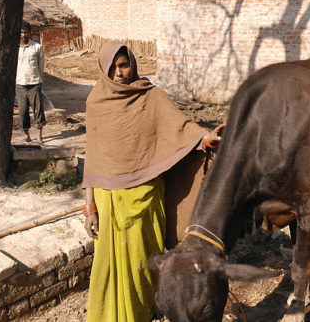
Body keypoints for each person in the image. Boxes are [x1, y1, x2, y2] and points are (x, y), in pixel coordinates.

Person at [82, 42, 222, 322]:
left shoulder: (152, 96)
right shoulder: (96, 103)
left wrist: (203, 138)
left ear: (133, 64)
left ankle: (145, 310)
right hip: (110, 202)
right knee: (111, 266)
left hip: (147, 196)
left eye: (124, 65)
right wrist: (90, 209)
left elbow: (180, 127)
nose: (119, 73)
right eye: (112, 67)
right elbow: (93, 159)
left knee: (147, 262)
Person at [15, 20, 46, 143]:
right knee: (22, 111)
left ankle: (39, 135)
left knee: (38, 110)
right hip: (20, 84)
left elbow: (41, 66)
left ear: (30, 33)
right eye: (21, 32)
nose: (23, 35)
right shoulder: (15, 48)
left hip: (34, 83)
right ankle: (27, 135)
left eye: (26, 32)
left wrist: (39, 80)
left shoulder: (37, 47)